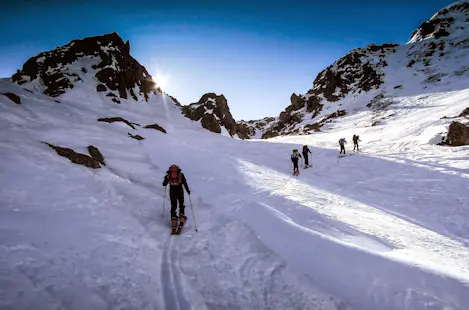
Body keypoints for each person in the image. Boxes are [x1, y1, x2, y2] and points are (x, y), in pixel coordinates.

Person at [162, 165, 190, 231]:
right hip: (180, 192)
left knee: (173, 206)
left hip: (172, 192)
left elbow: (164, 184)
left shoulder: (168, 175)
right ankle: (181, 219)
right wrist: (188, 191)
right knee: (181, 205)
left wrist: (166, 179)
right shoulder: (180, 175)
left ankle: (174, 221)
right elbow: (185, 183)